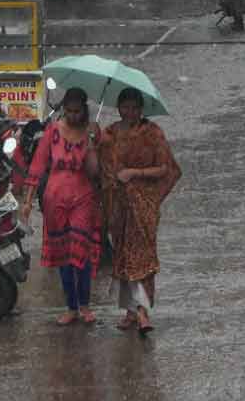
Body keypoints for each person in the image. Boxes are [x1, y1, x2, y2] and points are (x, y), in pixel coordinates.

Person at [98, 88, 181, 334]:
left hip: (144, 205)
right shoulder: (110, 134)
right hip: (119, 206)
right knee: (123, 256)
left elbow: (165, 169)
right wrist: (96, 139)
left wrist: (135, 173)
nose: (130, 112)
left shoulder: (153, 133)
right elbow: (101, 163)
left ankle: (144, 312)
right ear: (119, 107)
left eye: (135, 108)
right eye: (125, 107)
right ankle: (130, 312)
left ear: (141, 109)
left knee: (142, 258)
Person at [18, 87, 103, 325]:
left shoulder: (91, 133)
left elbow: (95, 171)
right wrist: (26, 201)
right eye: (69, 111)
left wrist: (93, 144)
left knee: (81, 252)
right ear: (64, 110)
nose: (73, 116)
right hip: (54, 199)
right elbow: (37, 166)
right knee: (64, 255)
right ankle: (71, 307)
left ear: (84, 110)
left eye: (77, 111)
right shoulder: (52, 132)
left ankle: (85, 305)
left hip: (83, 198)